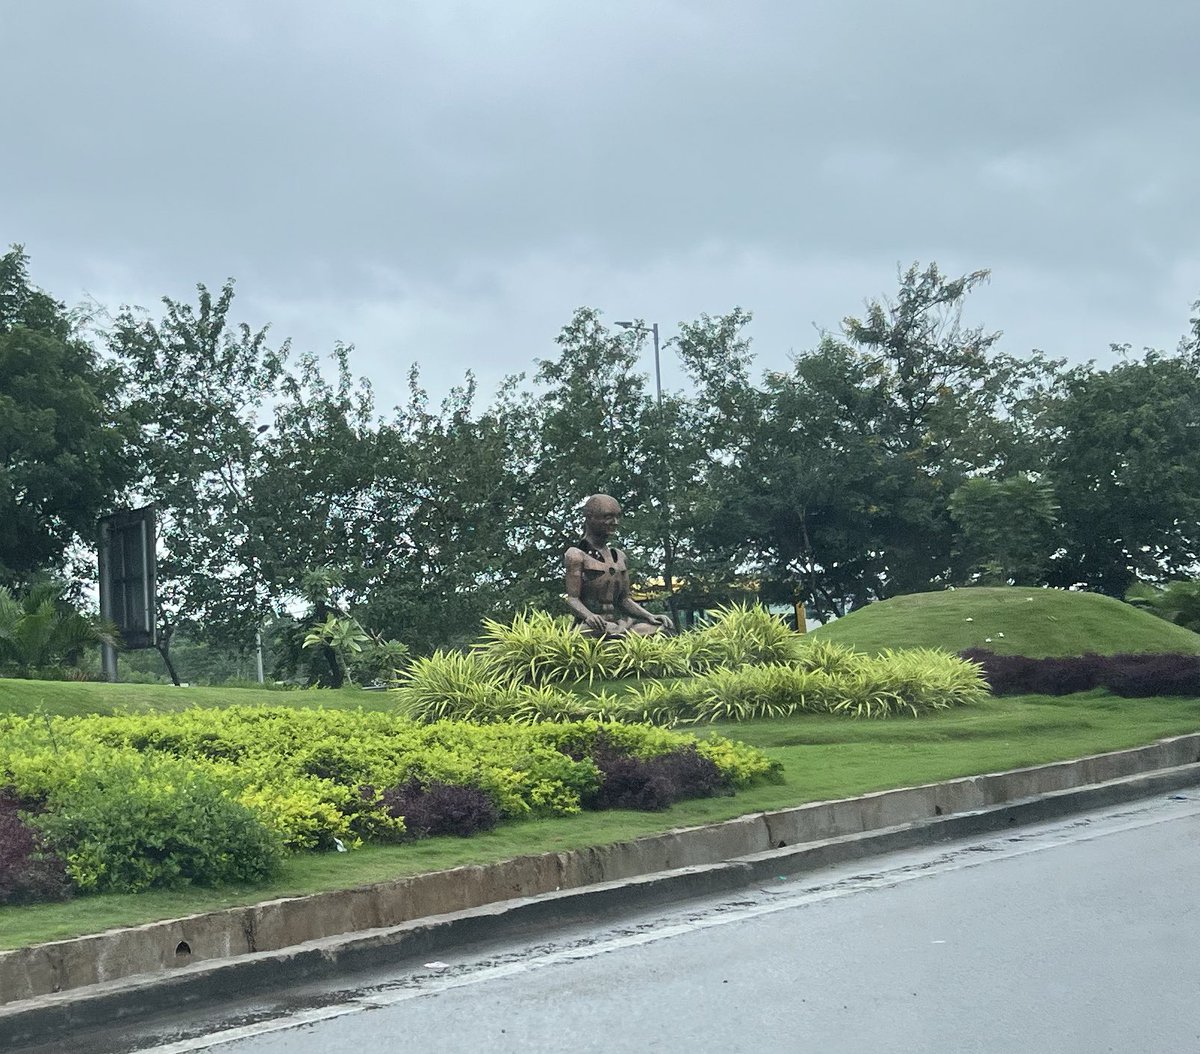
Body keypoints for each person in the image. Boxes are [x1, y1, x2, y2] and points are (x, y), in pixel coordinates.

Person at [564, 494, 674, 637]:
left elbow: (624, 600)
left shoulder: (620, 557)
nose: (614, 522)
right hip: (592, 627)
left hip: (617, 625)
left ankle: (622, 636)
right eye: (608, 517)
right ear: (590, 517)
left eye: (617, 517)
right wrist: (589, 616)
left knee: (662, 628)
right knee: (588, 633)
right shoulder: (575, 555)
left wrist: (649, 616)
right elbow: (572, 599)